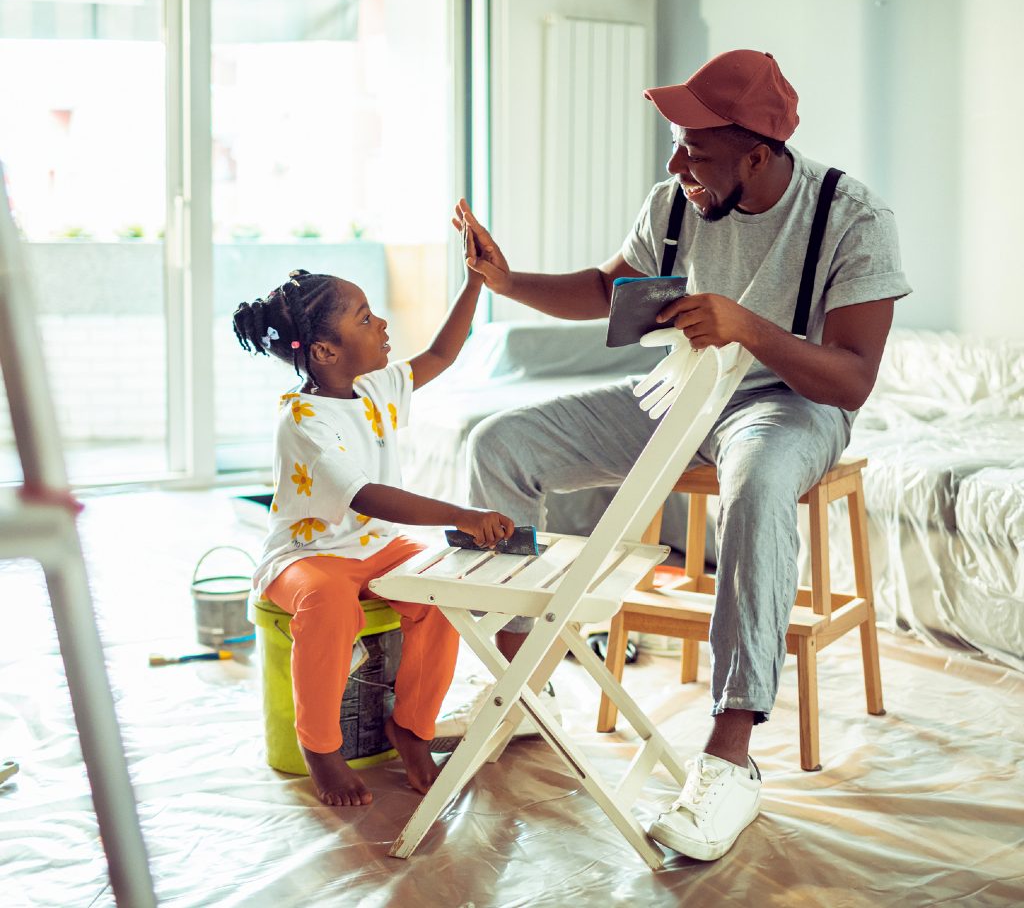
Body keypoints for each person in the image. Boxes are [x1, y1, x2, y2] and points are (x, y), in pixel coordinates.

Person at [453, 49, 911, 860]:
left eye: (695, 152)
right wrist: (507, 279)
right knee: (499, 444)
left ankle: (730, 761)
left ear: (758, 156)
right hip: (681, 391)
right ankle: (524, 692)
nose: (675, 166)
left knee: (759, 480)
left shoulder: (852, 216)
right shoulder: (676, 200)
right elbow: (605, 288)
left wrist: (751, 327)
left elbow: (853, 379)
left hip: (788, 402)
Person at [232, 263, 514, 808]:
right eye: (365, 318)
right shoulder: (303, 420)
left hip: (377, 546)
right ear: (324, 352)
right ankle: (320, 748)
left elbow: (441, 356)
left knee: (440, 588)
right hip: (307, 555)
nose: (382, 322)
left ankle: (411, 727)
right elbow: (363, 495)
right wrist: (459, 512)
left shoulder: (373, 386)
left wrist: (475, 280)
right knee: (329, 599)